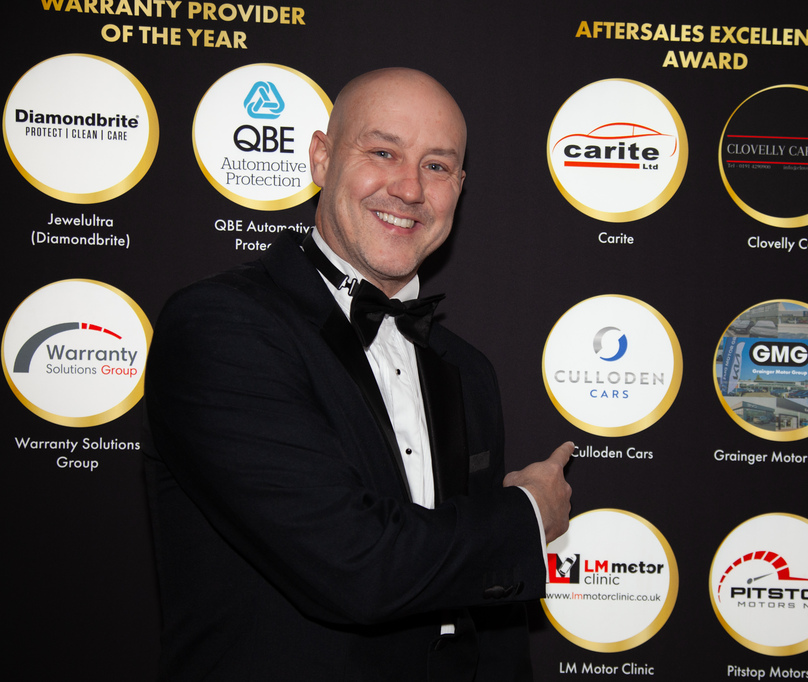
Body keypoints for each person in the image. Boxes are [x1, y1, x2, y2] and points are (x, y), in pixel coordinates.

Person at [143, 67, 573, 681]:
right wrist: (527, 513)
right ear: (321, 158)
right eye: (382, 152)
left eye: (436, 165)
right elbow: (353, 564)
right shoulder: (221, 327)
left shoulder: (467, 369)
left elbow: (488, 613)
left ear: (459, 187)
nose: (409, 188)